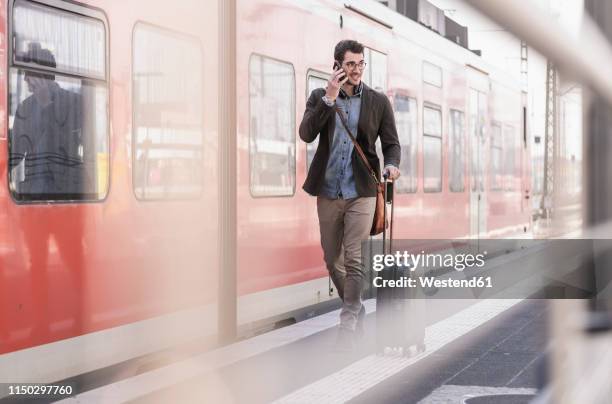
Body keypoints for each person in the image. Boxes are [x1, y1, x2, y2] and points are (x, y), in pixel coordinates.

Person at [299, 40, 401, 348]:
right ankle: (355, 307)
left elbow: (391, 144)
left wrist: (392, 165)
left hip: (363, 191)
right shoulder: (320, 96)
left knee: (355, 259)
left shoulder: (377, 101)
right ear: (337, 66)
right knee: (333, 260)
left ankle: (348, 324)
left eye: (360, 64)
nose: (356, 70)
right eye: (350, 64)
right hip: (328, 191)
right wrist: (329, 98)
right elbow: (306, 133)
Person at [11, 42, 84, 198]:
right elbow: (15, 155)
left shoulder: (74, 102)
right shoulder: (24, 108)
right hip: (32, 196)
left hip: (66, 193)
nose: (25, 79)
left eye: (29, 72)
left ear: (44, 75)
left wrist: (46, 104)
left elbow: (67, 146)